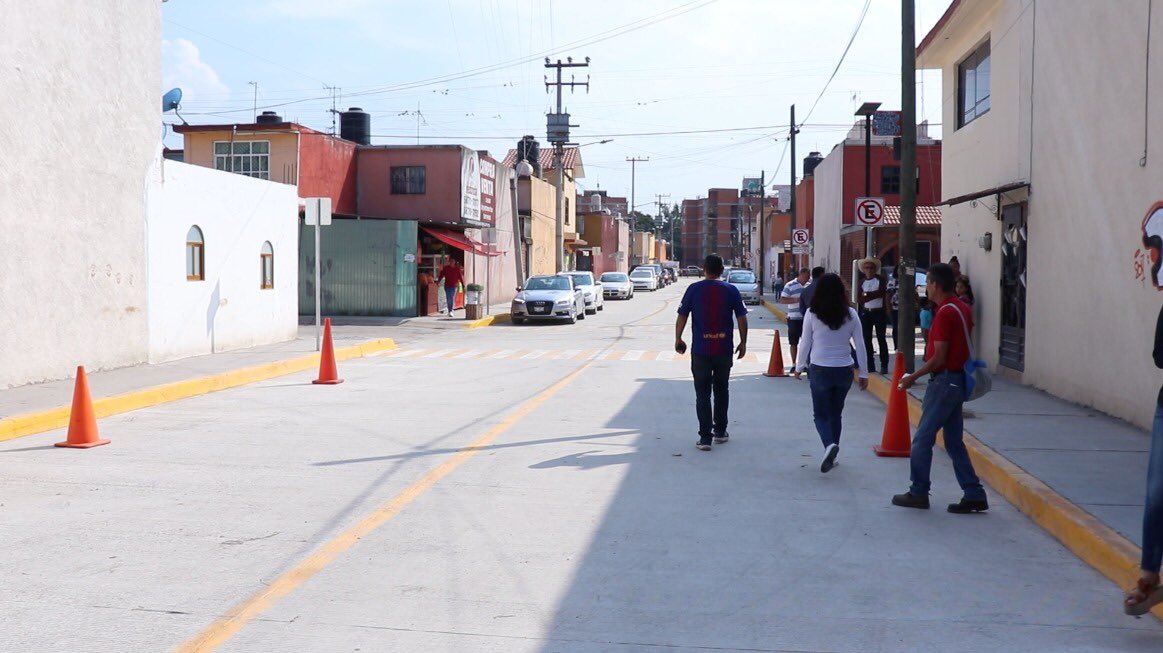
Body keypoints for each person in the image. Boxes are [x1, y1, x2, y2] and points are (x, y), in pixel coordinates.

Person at [892, 263, 988, 513]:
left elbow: (939, 357)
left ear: (935, 285)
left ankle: (918, 491)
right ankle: (973, 492)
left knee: (923, 439)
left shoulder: (945, 313)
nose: (926, 289)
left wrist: (912, 376)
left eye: (928, 284)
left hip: (944, 381)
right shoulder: (961, 308)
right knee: (953, 442)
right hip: (955, 381)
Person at [795, 273, 869, 473]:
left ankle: (829, 445)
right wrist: (864, 373)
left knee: (820, 414)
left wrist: (799, 366)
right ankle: (833, 451)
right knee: (836, 414)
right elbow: (860, 345)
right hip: (844, 370)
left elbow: (805, 342)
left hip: (819, 368)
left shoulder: (812, 313)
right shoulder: (851, 314)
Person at [675, 254, 749, 452]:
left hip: (701, 350)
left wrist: (678, 338)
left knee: (702, 394)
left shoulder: (693, 289)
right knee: (721, 390)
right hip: (723, 350)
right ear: (722, 270)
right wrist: (743, 342)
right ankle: (720, 432)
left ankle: (705, 438)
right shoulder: (731, 290)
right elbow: (741, 317)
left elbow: (682, 315)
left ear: (704, 269)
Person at [857, 258, 890, 375]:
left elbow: (881, 292)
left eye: (871, 268)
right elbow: (859, 299)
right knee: (867, 340)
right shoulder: (861, 282)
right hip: (866, 312)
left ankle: (884, 365)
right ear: (863, 270)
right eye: (867, 268)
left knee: (881, 339)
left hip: (879, 312)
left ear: (875, 269)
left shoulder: (880, 279)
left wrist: (867, 294)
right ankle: (870, 365)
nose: (869, 270)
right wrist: (869, 296)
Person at [780, 268, 811, 372]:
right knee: (794, 342)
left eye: (808, 277)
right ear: (801, 275)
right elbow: (783, 299)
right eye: (806, 277)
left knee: (807, 342)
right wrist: (797, 299)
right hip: (793, 318)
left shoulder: (809, 285)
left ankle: (805, 364)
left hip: (806, 318)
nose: (807, 279)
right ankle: (794, 364)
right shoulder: (790, 285)